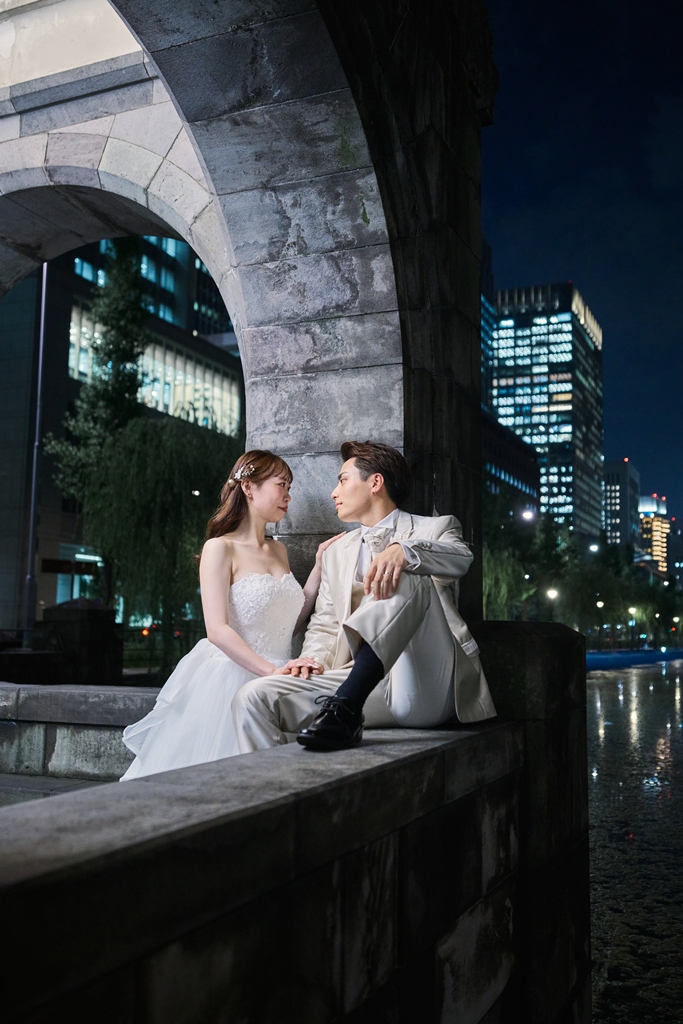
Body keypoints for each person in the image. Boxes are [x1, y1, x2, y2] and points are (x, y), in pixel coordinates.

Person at [232, 440, 497, 752]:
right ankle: (286, 780)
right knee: (253, 697)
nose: (334, 492)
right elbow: (325, 623)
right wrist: (312, 660)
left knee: (402, 571)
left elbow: (461, 559)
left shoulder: (434, 528)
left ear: (375, 482)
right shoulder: (337, 553)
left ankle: (347, 703)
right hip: (357, 686)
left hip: (424, 681)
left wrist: (403, 551)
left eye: (343, 480)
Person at [120, 450, 342, 780]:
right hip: (231, 679)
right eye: (281, 485)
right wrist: (272, 672)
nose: (288, 496)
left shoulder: (278, 549)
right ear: (249, 487)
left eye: (289, 487)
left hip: (280, 678)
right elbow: (217, 630)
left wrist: (320, 567)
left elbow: (290, 624)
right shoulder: (219, 548)